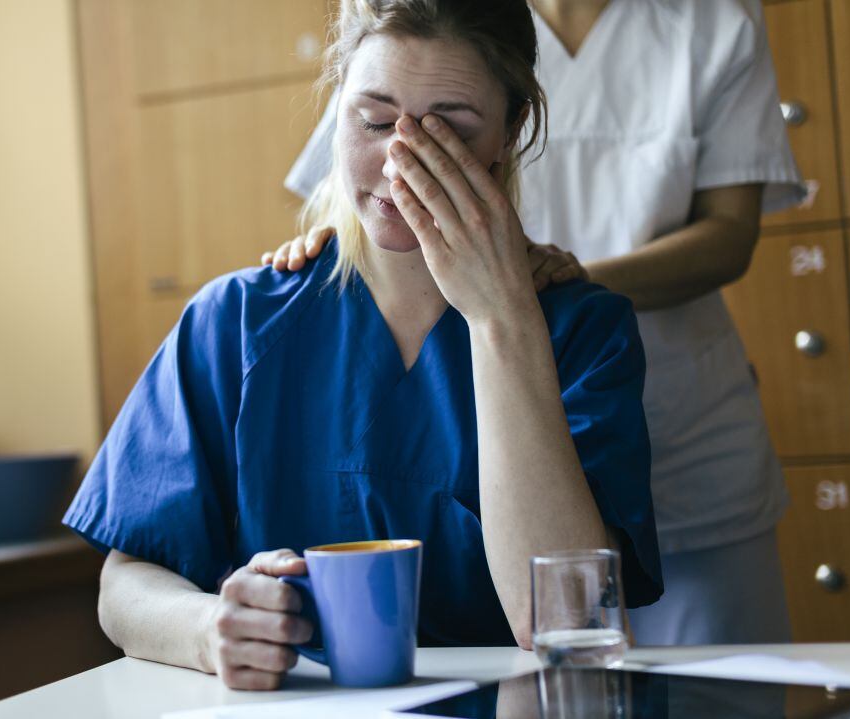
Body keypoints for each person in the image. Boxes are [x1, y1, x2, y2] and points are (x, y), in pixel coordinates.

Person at [63, 0, 663, 691]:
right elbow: (123, 584)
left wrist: (502, 322)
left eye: (449, 131)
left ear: (511, 129)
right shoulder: (235, 319)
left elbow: (565, 621)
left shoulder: (581, 333)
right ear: (336, 109)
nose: (400, 161)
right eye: (373, 120)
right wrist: (210, 627)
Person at [270, 0, 803, 645]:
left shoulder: (715, 23)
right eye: (381, 120)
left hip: (683, 436)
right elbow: (360, 167)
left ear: (514, 130)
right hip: (497, 431)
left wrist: (533, 288)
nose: (401, 142)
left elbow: (728, 235)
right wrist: (356, 241)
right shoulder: (442, 19)